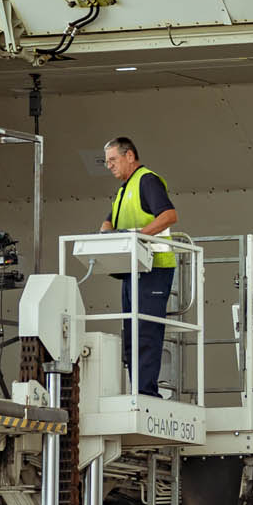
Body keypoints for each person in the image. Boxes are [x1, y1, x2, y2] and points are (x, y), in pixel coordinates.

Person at [100, 136, 178, 396]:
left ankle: (146, 393)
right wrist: (105, 233)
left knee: (145, 332)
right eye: (107, 161)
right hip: (132, 269)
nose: (109, 165)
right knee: (132, 333)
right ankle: (139, 390)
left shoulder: (146, 181)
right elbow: (109, 221)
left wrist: (138, 238)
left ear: (130, 156)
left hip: (154, 268)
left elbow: (169, 215)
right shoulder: (124, 190)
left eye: (113, 159)